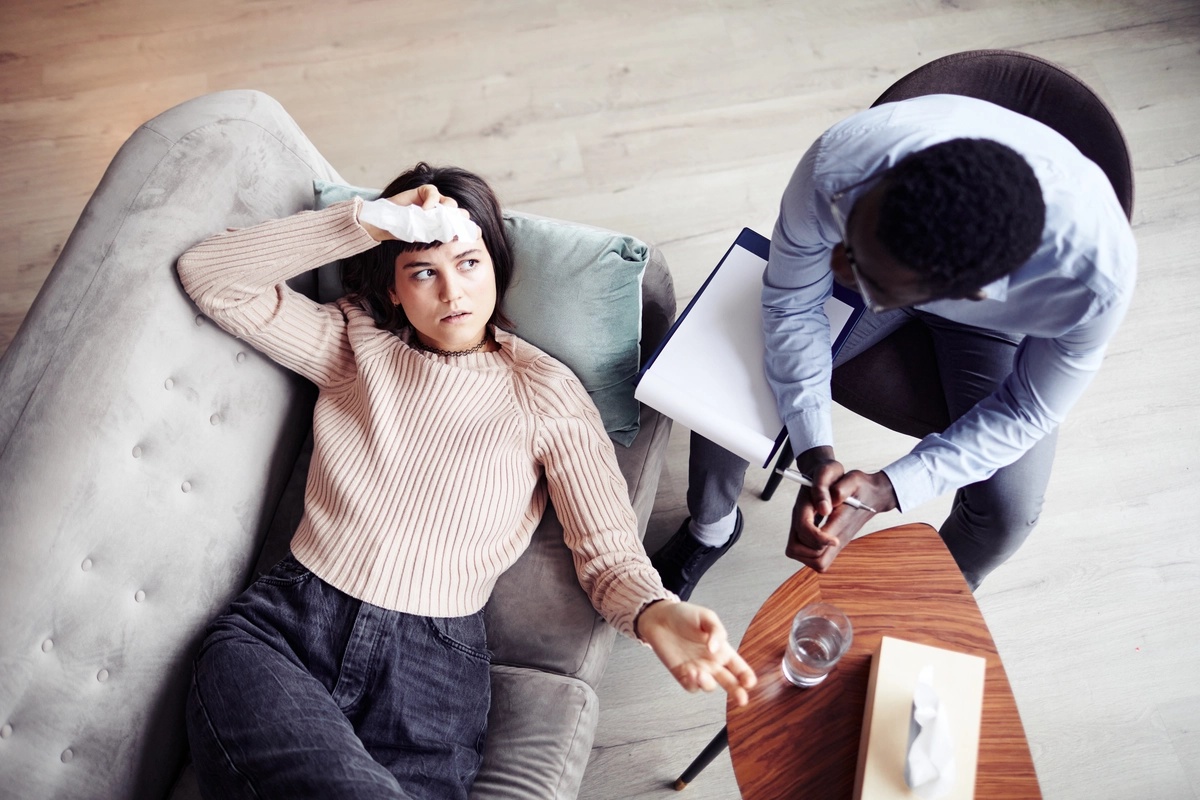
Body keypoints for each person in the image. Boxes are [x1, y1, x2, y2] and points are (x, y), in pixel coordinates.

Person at [177, 162, 756, 800]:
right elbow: (211, 277)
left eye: (469, 263)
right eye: (423, 272)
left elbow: (609, 551)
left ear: (495, 267)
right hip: (283, 632)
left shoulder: (547, 393)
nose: (452, 292)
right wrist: (372, 220)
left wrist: (656, 611)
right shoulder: (352, 344)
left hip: (430, 675)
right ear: (393, 289)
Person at [652, 93, 1136, 597]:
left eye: (859, 267)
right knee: (723, 382)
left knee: (1009, 513)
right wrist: (814, 451)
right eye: (849, 239)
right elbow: (793, 304)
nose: (836, 265)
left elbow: (1026, 412)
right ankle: (711, 528)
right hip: (890, 268)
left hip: (1000, 330)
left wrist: (889, 488)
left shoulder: (1093, 284)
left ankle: (927, 601)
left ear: (966, 294)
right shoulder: (840, 166)